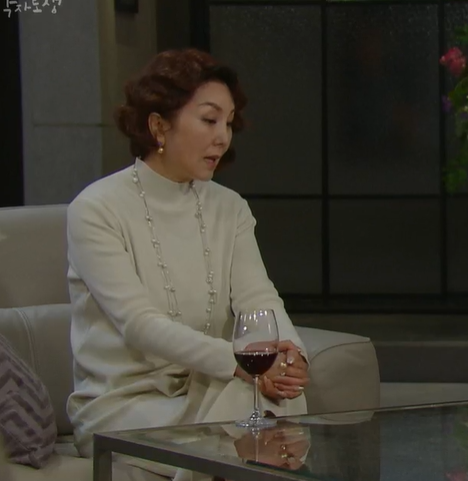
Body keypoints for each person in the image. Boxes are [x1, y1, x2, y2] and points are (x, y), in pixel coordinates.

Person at [66, 49, 311, 479]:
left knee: (272, 396)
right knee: (249, 404)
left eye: (229, 123)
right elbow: (139, 324)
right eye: (209, 120)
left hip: (210, 388)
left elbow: (259, 298)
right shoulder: (96, 209)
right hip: (127, 405)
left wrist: (291, 356)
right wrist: (242, 364)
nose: (223, 137)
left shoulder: (229, 207)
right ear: (159, 125)